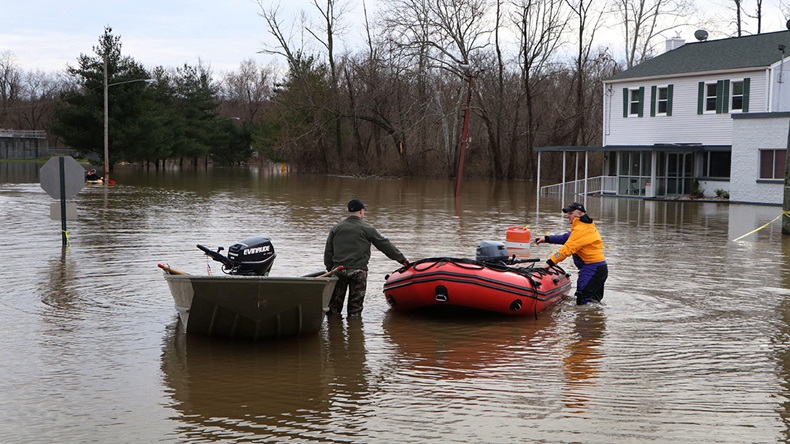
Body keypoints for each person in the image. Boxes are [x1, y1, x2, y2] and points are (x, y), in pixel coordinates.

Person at [324, 199, 409, 316]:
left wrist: (330, 269)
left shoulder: (336, 228)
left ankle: (334, 330)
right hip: (359, 272)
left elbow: (328, 251)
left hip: (338, 270)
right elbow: (384, 245)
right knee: (355, 309)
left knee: (333, 308)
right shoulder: (368, 229)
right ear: (361, 211)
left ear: (349, 211)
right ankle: (354, 329)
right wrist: (402, 259)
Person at [534, 202, 608, 305]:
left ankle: (584, 320)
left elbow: (566, 250)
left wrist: (549, 263)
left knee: (583, 301)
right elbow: (566, 238)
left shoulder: (581, 229)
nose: (568, 216)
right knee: (593, 303)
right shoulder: (584, 226)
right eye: (567, 213)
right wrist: (546, 239)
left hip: (592, 269)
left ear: (579, 213)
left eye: (570, 213)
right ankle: (595, 320)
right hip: (599, 269)